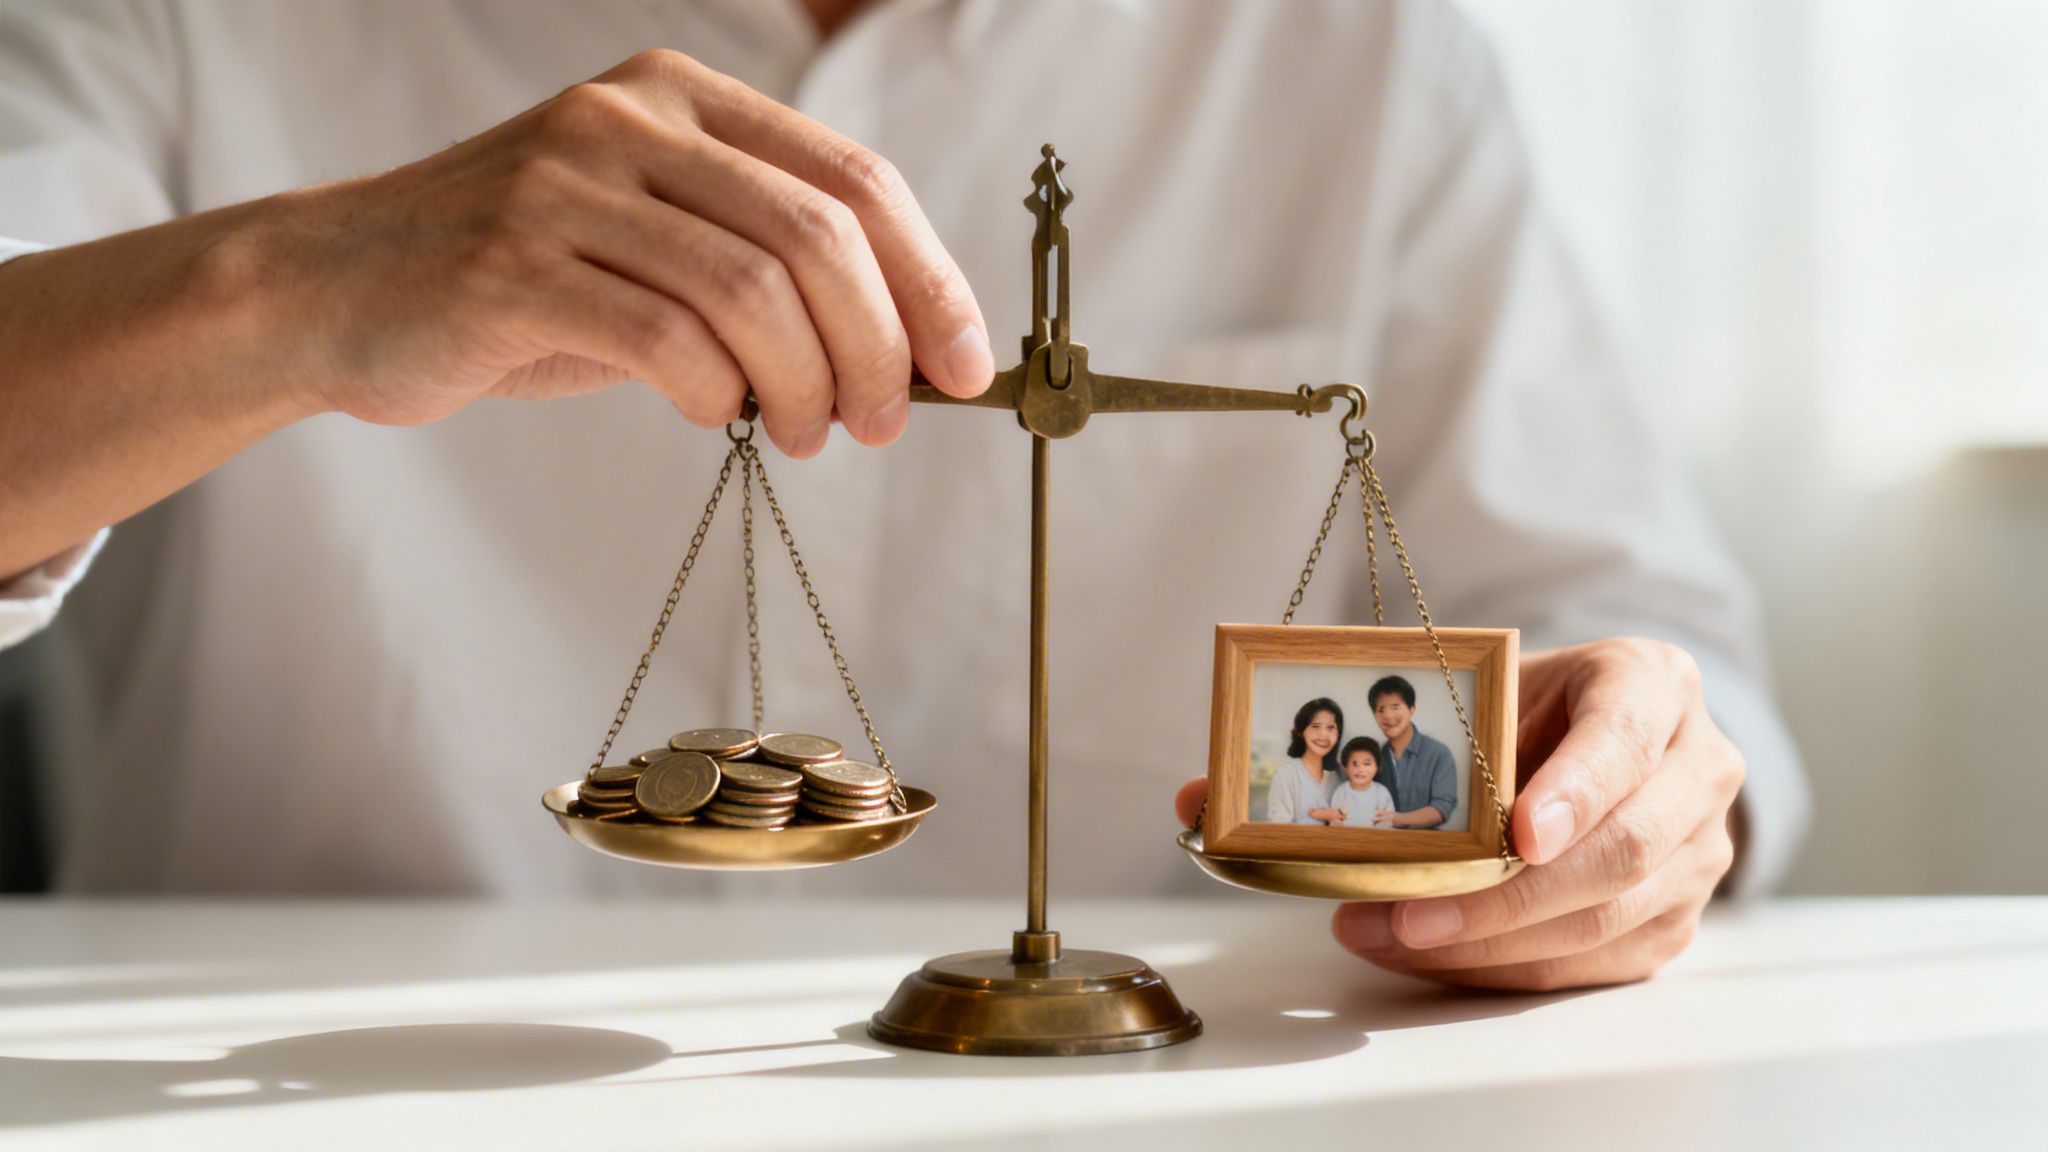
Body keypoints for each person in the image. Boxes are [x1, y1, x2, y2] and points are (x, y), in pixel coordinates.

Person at [0, 0, 1804, 992]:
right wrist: (294, 285)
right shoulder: (172, 20)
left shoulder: (1354, 57)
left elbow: (1652, 664)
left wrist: (1616, 806)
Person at [1365, 675, 1459, 830]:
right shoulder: (1375, 757)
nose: (1388, 716)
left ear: (1411, 709)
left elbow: (1442, 808)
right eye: (1381, 710)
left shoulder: (1439, 754)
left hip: (1425, 846)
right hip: (1381, 845)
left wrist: (1397, 819)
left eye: (1395, 707)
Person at [1265, 698, 1343, 825]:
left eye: (1330, 728)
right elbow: (1279, 826)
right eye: (1315, 726)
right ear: (1301, 731)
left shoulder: (1341, 775)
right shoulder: (1286, 774)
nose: (1323, 735)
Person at [1311, 735, 1393, 829]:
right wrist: (1336, 823)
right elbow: (1335, 817)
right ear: (1346, 767)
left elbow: (1387, 821)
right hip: (1347, 838)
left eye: (1366, 764)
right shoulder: (1341, 792)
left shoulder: (1382, 792)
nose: (1360, 769)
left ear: (1377, 767)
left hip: (1374, 839)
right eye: (1355, 764)